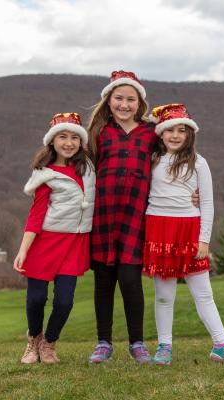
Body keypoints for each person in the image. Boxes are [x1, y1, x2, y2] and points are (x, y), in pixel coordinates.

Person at [143, 103, 224, 366]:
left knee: (203, 293)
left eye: (182, 130)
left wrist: (204, 239)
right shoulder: (151, 159)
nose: (175, 136)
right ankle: (165, 345)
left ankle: (222, 344)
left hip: (189, 230)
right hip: (159, 230)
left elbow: (208, 203)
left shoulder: (199, 163)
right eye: (169, 130)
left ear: (190, 135)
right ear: (160, 133)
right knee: (165, 295)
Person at [13, 112, 95, 364]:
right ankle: (33, 341)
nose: (69, 142)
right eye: (63, 137)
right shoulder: (45, 175)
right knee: (37, 297)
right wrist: (23, 250)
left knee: (65, 301)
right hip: (46, 242)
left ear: (81, 142)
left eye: (74, 137)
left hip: (75, 243)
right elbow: (36, 215)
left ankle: (49, 342)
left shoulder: (90, 169)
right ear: (52, 141)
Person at [86, 70, 156, 364]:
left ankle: (137, 343)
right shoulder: (99, 133)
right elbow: (82, 169)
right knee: (103, 283)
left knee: (130, 281)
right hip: (103, 217)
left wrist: (192, 193)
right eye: (119, 98)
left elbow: (173, 165)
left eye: (131, 99)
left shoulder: (152, 133)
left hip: (135, 218)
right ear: (109, 100)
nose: (124, 104)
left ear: (140, 103)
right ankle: (103, 342)